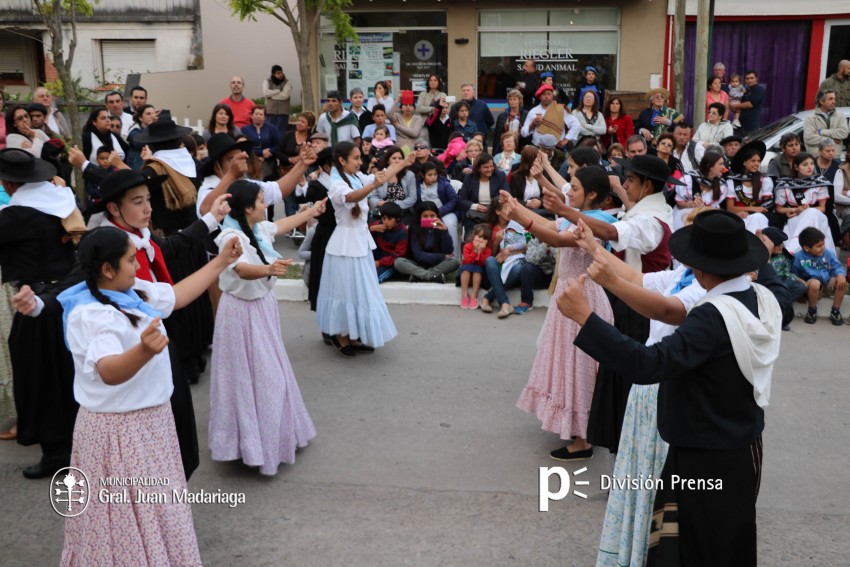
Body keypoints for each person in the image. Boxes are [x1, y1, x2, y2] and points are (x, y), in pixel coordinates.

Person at [559, 209, 782, 567]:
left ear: (700, 267)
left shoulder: (712, 316)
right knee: (728, 541)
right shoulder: (759, 297)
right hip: (741, 448)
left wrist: (586, 318)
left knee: (696, 547)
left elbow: (648, 365)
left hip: (706, 458)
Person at [56, 226, 242, 565]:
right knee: (126, 516)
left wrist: (221, 263)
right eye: (130, 261)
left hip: (150, 423)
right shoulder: (92, 313)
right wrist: (143, 351)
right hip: (118, 432)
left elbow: (177, 295)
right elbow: (109, 370)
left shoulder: (130, 291)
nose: (138, 267)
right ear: (107, 269)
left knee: (157, 510)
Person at [84, 169, 233, 477]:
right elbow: (73, 287)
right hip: (133, 357)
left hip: (160, 343)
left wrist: (212, 218)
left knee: (174, 424)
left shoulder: (143, 240)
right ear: (113, 209)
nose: (148, 209)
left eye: (149, 200)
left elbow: (175, 246)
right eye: (138, 202)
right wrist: (39, 304)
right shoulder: (106, 253)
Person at [542, 154, 678, 454]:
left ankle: (623, 451)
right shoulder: (646, 211)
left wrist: (564, 209)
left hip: (638, 305)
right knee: (615, 377)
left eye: (630, 180)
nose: (624, 184)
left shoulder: (650, 220)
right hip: (628, 297)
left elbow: (610, 232)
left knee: (625, 380)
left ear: (647, 185)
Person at [210, 181, 322, 474]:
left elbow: (282, 224)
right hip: (239, 314)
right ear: (247, 208)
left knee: (271, 374)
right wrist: (268, 269)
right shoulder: (230, 236)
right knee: (253, 379)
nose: (264, 205)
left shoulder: (257, 229)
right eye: (260, 201)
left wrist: (312, 209)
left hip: (262, 309)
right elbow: (241, 269)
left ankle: (273, 438)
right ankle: (251, 446)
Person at [506, 166, 617, 460]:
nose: (569, 191)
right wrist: (518, 209)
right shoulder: (577, 217)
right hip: (570, 297)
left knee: (579, 367)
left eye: (576, 188)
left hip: (583, 297)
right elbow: (552, 228)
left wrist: (522, 219)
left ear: (592, 194)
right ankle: (577, 429)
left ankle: (583, 440)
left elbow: (558, 240)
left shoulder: (598, 220)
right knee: (567, 364)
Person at [0, 149, 82, 479]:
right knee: (69, 373)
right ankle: (78, 444)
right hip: (70, 298)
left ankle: (56, 452)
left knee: (41, 378)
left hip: (38, 303)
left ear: (8, 182)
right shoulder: (62, 198)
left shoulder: (16, 215)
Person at [316, 141, 411, 357]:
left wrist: (406, 161)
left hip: (360, 244)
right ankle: (340, 335)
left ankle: (352, 334)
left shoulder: (356, 177)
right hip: (344, 246)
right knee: (345, 291)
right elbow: (352, 197)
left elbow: (383, 175)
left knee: (361, 292)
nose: (361, 162)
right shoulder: (336, 184)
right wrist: (374, 185)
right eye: (356, 158)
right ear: (342, 160)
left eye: (360, 157)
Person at [774, 152, 835, 254]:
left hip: (817, 216)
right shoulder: (785, 184)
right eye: (805, 164)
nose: (810, 167)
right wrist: (796, 210)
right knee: (796, 220)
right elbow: (779, 208)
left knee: (811, 213)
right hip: (794, 216)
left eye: (811, 164)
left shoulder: (820, 182)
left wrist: (804, 211)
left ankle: (793, 247)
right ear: (796, 167)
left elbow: (823, 208)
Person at [792, 226, 847, 325]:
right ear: (806, 248)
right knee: (815, 283)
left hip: (827, 283)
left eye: (823, 244)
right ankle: (812, 311)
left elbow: (837, 267)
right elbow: (793, 275)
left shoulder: (828, 253)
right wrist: (798, 294)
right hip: (811, 288)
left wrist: (840, 275)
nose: (822, 247)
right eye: (818, 246)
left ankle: (835, 311)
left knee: (841, 280)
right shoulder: (798, 257)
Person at [394, 201, 459, 283]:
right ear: (420, 217)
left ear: (437, 216)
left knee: (455, 261)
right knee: (398, 262)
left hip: (437, 264)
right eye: (425, 216)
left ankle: (419, 275)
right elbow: (418, 255)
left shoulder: (440, 227)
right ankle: (432, 276)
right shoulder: (415, 228)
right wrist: (442, 256)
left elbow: (448, 251)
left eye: (432, 216)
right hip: (417, 264)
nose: (429, 219)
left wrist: (444, 231)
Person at [479, 214, 526, 318]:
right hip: (499, 261)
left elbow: (526, 246)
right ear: (497, 211)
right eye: (506, 209)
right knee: (490, 260)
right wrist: (496, 241)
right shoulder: (492, 228)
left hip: (515, 261)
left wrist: (508, 252)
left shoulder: (519, 226)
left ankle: (488, 298)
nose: (509, 212)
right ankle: (505, 303)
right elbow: (492, 254)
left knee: (518, 269)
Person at [726, 140, 777, 233]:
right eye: (753, 161)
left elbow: (767, 206)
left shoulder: (765, 180)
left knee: (757, 218)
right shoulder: (733, 181)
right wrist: (751, 209)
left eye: (758, 161)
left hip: (760, 216)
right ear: (744, 162)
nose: (757, 164)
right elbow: (730, 208)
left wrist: (753, 212)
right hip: (740, 216)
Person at [673, 149, 728, 230]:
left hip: (707, 218)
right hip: (685, 216)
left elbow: (715, 207)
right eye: (720, 164)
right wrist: (691, 204)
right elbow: (679, 203)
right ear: (710, 166)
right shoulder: (689, 179)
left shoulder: (722, 185)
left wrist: (705, 208)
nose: (724, 167)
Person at [458, 152, 509, 234]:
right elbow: (462, 200)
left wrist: (493, 207)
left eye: (491, 166)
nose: (490, 169)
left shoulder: (500, 176)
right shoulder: (469, 178)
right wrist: (475, 206)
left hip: (495, 213)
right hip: (475, 214)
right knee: (471, 233)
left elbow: (507, 195)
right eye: (486, 167)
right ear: (478, 168)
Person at [416, 161, 458, 253]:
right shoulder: (417, 186)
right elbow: (415, 202)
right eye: (429, 175)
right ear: (423, 175)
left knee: (450, 225)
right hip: (426, 215)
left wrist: (440, 211)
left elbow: (453, 199)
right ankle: (427, 254)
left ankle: (453, 255)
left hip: (444, 213)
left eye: (435, 174)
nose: (433, 177)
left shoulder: (444, 184)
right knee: (420, 226)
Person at [522, 84, 580, 150]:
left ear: (552, 96)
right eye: (543, 94)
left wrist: (566, 140)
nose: (546, 96)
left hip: (556, 149)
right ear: (540, 97)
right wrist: (533, 124)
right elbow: (524, 133)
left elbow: (576, 124)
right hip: (538, 148)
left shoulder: (560, 109)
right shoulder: (533, 111)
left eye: (549, 94)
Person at [368, 145, 417, 223]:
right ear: (388, 161)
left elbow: (412, 198)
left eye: (400, 158)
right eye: (394, 158)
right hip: (382, 211)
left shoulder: (409, 175)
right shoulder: (381, 175)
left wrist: (393, 206)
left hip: (402, 211)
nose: (397, 161)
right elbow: (372, 197)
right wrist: (381, 203)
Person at [764, 227, 807, 308]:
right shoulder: (760, 256)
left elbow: (786, 272)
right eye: (777, 245)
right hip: (765, 284)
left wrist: (797, 278)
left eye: (781, 243)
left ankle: (779, 305)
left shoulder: (784, 256)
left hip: (780, 281)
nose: (780, 247)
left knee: (800, 286)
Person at [369, 201, 408, 283]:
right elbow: (361, 230)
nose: (386, 222)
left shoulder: (402, 232)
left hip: (391, 262)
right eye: (384, 218)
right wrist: (371, 229)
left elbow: (398, 255)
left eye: (390, 219)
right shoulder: (378, 225)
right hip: (378, 257)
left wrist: (379, 263)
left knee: (374, 279)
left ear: (397, 219)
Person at [241, 105, 282, 181]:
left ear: (264, 117)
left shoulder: (272, 128)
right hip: (250, 161)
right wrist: (261, 153)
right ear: (251, 116)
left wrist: (270, 151)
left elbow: (279, 145)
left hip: (268, 161)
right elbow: (243, 146)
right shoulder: (244, 130)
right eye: (256, 114)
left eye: (261, 114)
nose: (258, 116)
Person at [803, 89, 849, 154]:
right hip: (816, 158)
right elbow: (809, 138)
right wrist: (831, 140)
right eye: (830, 99)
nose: (834, 101)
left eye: (834, 99)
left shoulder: (840, 116)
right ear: (821, 101)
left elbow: (844, 133)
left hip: (835, 158)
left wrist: (821, 132)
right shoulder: (810, 118)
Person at [458, 224, 491, 309]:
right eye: (479, 237)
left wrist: (480, 252)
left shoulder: (487, 250)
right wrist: (475, 251)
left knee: (477, 269)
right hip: (465, 275)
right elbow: (467, 261)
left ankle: (474, 296)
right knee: (466, 268)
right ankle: (464, 295)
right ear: (474, 236)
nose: (481, 240)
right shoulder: (467, 246)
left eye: (484, 238)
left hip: (478, 276)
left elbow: (483, 263)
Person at [493, 89, 528, 155]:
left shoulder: (525, 115)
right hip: (504, 148)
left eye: (515, 99)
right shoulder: (502, 116)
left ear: (519, 101)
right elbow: (497, 137)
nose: (512, 101)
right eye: (510, 99)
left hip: (521, 147)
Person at [731, 71, 766, 136]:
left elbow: (749, 104)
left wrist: (735, 106)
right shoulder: (746, 90)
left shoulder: (759, 90)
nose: (749, 80)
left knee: (749, 146)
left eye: (752, 78)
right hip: (739, 125)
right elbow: (739, 104)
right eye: (747, 78)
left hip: (751, 127)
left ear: (756, 78)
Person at [262, 65, 293, 135]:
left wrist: (271, 96)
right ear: (273, 74)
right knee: (269, 133)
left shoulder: (287, 82)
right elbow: (265, 93)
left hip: (283, 113)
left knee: (281, 133)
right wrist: (277, 91)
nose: (280, 74)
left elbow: (285, 95)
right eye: (278, 73)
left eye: (281, 72)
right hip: (270, 112)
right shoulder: (266, 81)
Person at [126, 104, 158, 169]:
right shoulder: (134, 130)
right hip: (137, 166)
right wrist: (150, 126)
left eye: (154, 113)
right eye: (148, 114)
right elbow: (140, 142)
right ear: (140, 118)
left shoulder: (155, 129)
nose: (152, 116)